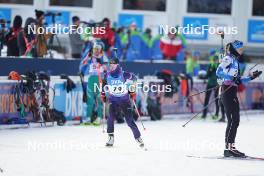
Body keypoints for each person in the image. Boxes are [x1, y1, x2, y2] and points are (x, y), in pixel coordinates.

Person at [216, 40, 262, 157]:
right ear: (234, 49)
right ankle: (229, 149)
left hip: (232, 91)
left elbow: (239, 80)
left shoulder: (235, 61)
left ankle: (230, 148)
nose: (242, 50)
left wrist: (251, 77)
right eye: (240, 48)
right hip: (227, 91)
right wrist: (231, 77)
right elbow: (218, 72)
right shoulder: (228, 59)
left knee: (235, 121)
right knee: (233, 121)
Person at [100, 56, 144, 148]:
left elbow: (135, 78)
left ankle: (138, 137)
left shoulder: (124, 74)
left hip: (124, 101)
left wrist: (132, 90)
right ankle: (110, 138)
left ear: (117, 65)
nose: (111, 66)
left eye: (113, 64)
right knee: (110, 118)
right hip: (113, 100)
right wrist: (103, 94)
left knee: (129, 121)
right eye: (110, 64)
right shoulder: (106, 75)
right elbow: (103, 84)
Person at [79, 41, 108, 125]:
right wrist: (82, 70)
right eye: (95, 49)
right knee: (89, 99)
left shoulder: (103, 56)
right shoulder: (90, 56)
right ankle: (88, 118)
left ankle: (99, 117)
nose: (96, 51)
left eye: (98, 49)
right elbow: (83, 64)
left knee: (99, 98)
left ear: (101, 49)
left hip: (99, 79)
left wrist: (102, 64)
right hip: (90, 78)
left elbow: (107, 68)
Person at [201, 50, 223, 119]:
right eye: (214, 60)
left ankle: (216, 114)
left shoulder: (220, 66)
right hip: (210, 83)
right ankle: (204, 114)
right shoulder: (210, 65)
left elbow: (221, 75)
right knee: (206, 99)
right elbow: (207, 75)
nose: (215, 61)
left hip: (216, 84)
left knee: (216, 99)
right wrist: (203, 77)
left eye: (216, 60)